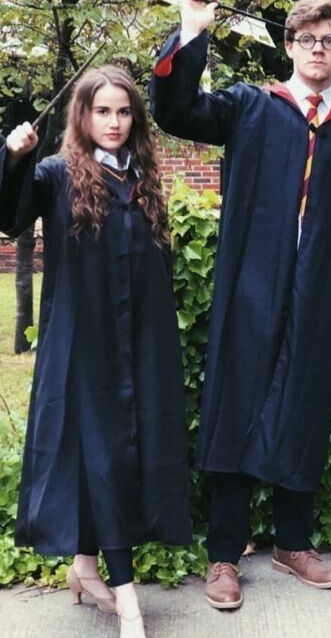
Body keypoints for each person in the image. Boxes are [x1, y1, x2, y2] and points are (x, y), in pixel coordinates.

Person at [150, 0, 331, 609]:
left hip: (319, 296)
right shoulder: (251, 106)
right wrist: (192, 30)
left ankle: (293, 543)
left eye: (330, 40)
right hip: (251, 290)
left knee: (304, 411)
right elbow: (176, 110)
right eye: (307, 39)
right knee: (235, 410)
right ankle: (223, 555)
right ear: (289, 45)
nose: (318, 49)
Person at [0, 66, 191, 638]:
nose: (114, 122)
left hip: (141, 341)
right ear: (81, 116)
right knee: (103, 454)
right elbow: (9, 216)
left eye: (124, 111)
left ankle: (85, 569)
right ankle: (128, 597)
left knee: (124, 452)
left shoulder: (142, 178)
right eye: (102, 111)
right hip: (84, 344)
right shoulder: (57, 175)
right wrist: (13, 157)